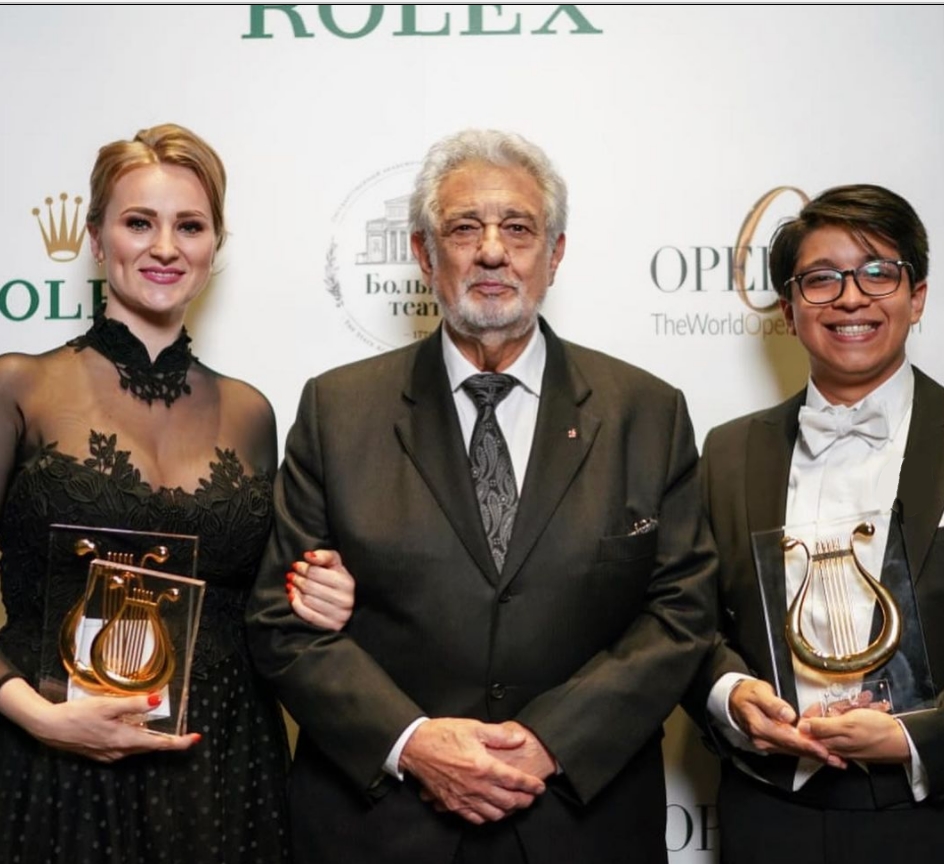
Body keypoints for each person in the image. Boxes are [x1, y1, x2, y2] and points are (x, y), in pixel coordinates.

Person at [247, 128, 717, 864]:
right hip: (384, 828)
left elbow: (683, 609)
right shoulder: (337, 411)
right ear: (425, 255)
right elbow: (281, 617)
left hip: (580, 822)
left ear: (555, 255)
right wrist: (415, 742)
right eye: (465, 228)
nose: (492, 250)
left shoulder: (646, 412)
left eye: (519, 228)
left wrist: (553, 740)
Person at [0, 124, 294, 863]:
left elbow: (271, 600)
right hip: (49, 759)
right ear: (97, 240)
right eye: (140, 221)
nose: (165, 246)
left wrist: (322, 587)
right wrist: (32, 714)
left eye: (189, 226)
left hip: (222, 766)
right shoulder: (21, 387)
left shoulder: (253, 414)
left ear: (213, 246)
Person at [684, 184, 944, 863]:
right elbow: (682, 620)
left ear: (917, 295)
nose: (851, 298)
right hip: (769, 815)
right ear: (789, 309)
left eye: (878, 272)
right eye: (821, 279)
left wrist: (919, 737)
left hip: (933, 815)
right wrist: (732, 695)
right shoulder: (728, 451)